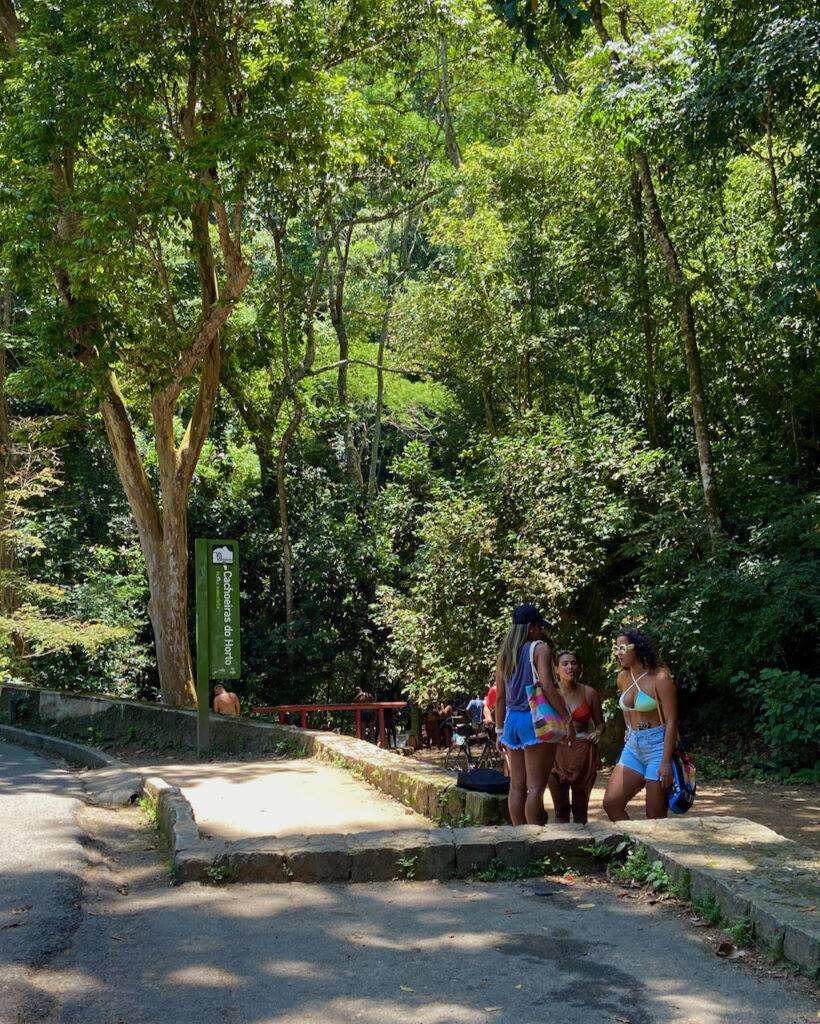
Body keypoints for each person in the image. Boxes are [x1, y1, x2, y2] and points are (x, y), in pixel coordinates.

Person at [495, 603, 574, 825]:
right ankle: (533, 837)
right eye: (539, 626)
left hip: (511, 722)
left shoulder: (504, 655)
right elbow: (548, 687)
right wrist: (566, 717)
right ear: (531, 627)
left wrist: (499, 730)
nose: (541, 631)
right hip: (534, 721)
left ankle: (517, 834)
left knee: (516, 785)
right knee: (536, 787)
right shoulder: (540, 649)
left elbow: (499, 697)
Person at [602, 628, 678, 821]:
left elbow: (671, 722)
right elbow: (626, 707)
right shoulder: (622, 677)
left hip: (658, 747)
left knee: (654, 817)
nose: (618, 653)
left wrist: (666, 762)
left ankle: (650, 850)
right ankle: (634, 846)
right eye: (616, 648)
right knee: (611, 803)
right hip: (634, 746)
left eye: (623, 647)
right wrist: (629, 728)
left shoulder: (660, 678)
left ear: (638, 648)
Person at [547, 651, 604, 824]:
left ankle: (583, 850)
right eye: (565, 664)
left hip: (583, 756)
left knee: (581, 810)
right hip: (556, 754)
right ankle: (560, 849)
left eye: (573, 663)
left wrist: (598, 733)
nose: (570, 667)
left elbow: (600, 723)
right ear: (556, 669)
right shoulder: (550, 695)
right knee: (560, 810)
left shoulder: (590, 693)